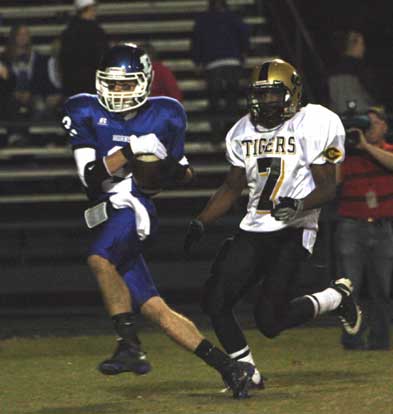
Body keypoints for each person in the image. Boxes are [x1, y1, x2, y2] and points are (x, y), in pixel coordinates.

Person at [62, 43, 255, 399]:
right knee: (154, 307)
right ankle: (231, 368)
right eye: (112, 84)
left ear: (146, 81)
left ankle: (128, 345)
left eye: (125, 84)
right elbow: (90, 177)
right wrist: (131, 150)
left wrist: (165, 168)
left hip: (134, 205)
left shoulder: (167, 113)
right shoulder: (83, 108)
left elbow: (182, 175)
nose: (117, 91)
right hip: (107, 208)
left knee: (98, 258)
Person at [184, 58, 362, 388]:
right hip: (254, 227)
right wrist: (201, 220)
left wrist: (298, 205)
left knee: (270, 321)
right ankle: (246, 373)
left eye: (272, 94)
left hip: (293, 231)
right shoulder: (240, 131)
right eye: (260, 94)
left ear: (292, 92)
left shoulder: (316, 121)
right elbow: (231, 187)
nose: (265, 101)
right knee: (215, 301)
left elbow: (328, 187)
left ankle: (334, 298)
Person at [336, 106, 393, 350]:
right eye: (365, 124)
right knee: (350, 287)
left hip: (382, 227)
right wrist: (340, 147)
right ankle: (353, 337)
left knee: (383, 286)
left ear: (385, 126)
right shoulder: (348, 154)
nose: (369, 128)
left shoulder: (386, 151)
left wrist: (366, 147)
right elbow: (335, 180)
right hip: (352, 226)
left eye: (374, 123)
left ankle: (380, 337)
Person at [190, 0, 250, 141]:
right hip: (232, 61)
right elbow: (244, 34)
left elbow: (196, 40)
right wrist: (244, 52)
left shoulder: (203, 20)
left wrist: (197, 61)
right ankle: (232, 132)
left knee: (214, 100)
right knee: (232, 99)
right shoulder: (233, 17)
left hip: (212, 63)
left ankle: (216, 133)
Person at [59, 0, 109, 98]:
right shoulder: (96, 32)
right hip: (93, 87)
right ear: (89, 8)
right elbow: (103, 59)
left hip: (72, 89)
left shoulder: (68, 32)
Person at [327, 30, 381, 116]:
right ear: (353, 45)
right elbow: (352, 101)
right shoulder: (356, 69)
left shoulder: (334, 68)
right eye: (361, 44)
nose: (364, 48)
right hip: (357, 116)